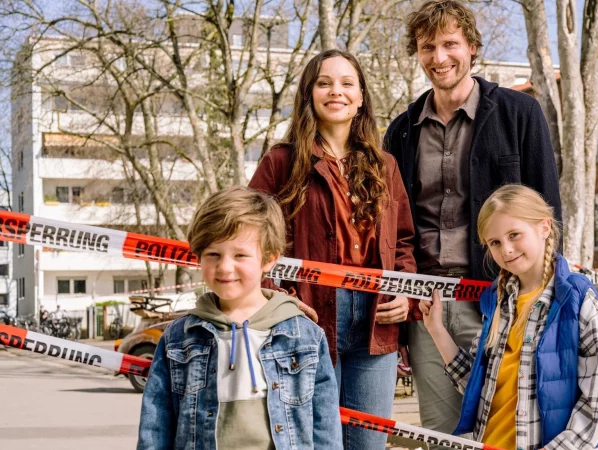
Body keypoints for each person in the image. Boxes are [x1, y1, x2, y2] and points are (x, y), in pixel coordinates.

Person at [383, 0, 563, 440]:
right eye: (428, 47)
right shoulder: (400, 131)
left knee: (511, 427)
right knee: (443, 435)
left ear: (473, 48)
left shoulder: (519, 113)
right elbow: (392, 229)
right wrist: (399, 298)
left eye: (450, 44)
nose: (439, 57)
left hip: (504, 297)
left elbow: (548, 209)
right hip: (429, 306)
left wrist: (548, 295)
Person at [248, 49, 416, 449]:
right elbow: (251, 236)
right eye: (324, 83)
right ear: (309, 94)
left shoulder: (385, 165)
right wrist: (279, 297)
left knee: (368, 443)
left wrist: (406, 291)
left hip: (377, 320)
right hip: (308, 314)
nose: (335, 91)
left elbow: (405, 241)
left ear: (360, 97)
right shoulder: (281, 162)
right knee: (314, 442)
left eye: (346, 83)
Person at [137, 186, 342, 450]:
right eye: (213, 254)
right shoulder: (178, 338)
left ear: (268, 259)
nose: (224, 267)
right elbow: (156, 424)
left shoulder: (306, 337)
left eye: (240, 255)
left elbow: (325, 428)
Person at [419, 185, 598, 449]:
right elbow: (479, 387)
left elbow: (597, 406)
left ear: (544, 227)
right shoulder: (497, 301)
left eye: (514, 235)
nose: (507, 250)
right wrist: (436, 329)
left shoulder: (578, 299)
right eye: (495, 243)